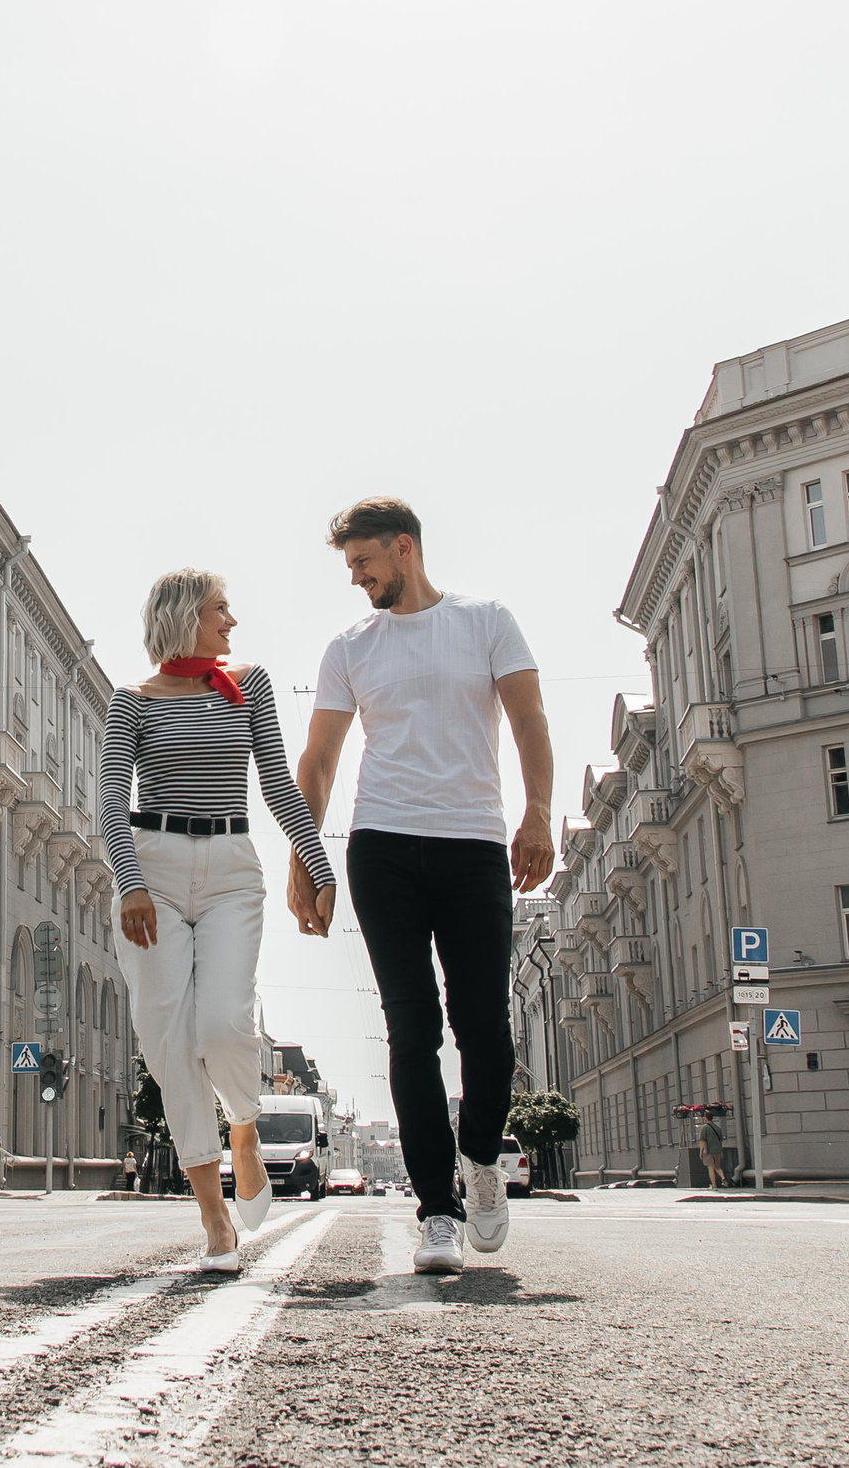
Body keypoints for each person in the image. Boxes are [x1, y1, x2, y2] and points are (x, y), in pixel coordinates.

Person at [293, 498, 551, 1275]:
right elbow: (321, 758)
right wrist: (307, 853)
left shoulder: (486, 621)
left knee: (484, 1024)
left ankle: (480, 1165)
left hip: (473, 840)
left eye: (363, 562)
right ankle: (435, 1211)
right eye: (349, 565)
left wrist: (538, 812)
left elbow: (529, 717)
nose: (356, 577)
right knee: (412, 1026)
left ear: (403, 548)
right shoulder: (350, 646)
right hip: (384, 846)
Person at [103, 568, 339, 1274]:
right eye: (220, 610)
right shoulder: (130, 701)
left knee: (224, 1024)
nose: (231, 621)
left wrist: (319, 864)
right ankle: (211, 1209)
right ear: (184, 617)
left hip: (233, 867)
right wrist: (131, 882)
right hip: (154, 867)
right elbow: (112, 801)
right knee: (168, 1037)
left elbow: (275, 781)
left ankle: (242, 1124)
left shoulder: (250, 685)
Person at [696, 1112, 730, 1190]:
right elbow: (720, 1140)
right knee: (717, 1167)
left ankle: (714, 1185)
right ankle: (723, 1177)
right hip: (717, 1150)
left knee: (710, 1168)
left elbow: (702, 1141)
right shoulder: (717, 1127)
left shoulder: (704, 1127)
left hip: (708, 1151)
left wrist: (701, 1151)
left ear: (706, 1117)